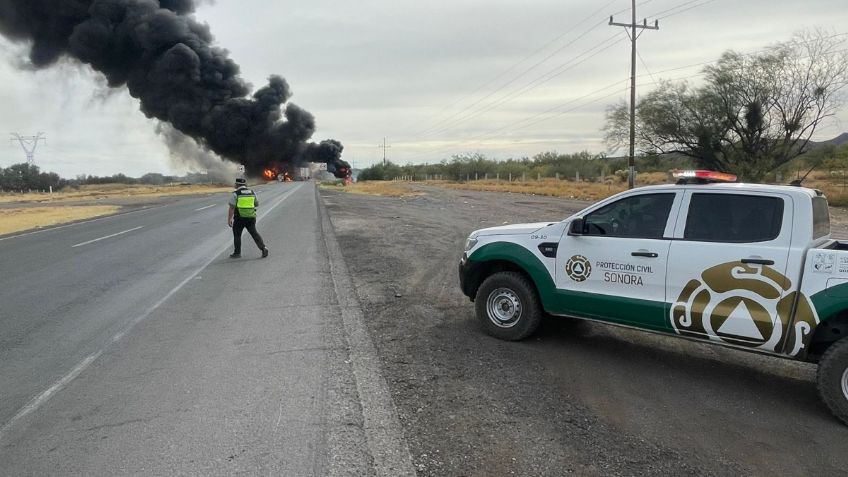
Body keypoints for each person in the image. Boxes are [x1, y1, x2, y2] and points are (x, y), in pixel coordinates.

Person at [227, 177, 269, 258]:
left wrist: (229, 219)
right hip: (251, 217)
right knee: (254, 233)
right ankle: (263, 248)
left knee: (237, 235)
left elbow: (232, 207)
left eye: (235, 184)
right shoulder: (252, 192)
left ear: (237, 185)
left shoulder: (236, 194)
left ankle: (237, 253)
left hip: (239, 218)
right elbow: (256, 204)